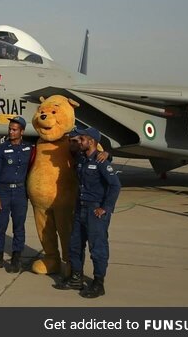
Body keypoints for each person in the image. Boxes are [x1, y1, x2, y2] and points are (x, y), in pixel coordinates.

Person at [59, 126, 121, 298]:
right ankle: (76, 278)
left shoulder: (101, 162)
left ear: (91, 141)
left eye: (82, 139)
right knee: (75, 245)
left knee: (97, 248)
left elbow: (115, 186)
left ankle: (98, 283)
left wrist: (105, 208)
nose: (79, 142)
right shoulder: (81, 159)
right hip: (80, 208)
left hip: (95, 211)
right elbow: (70, 145)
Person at [0, 116, 33, 273]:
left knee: (19, 227)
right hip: (3, 192)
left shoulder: (29, 149)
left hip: (20, 192)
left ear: (22, 131)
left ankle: (16, 259)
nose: (11, 131)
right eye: (10, 129)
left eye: (14, 129)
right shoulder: (1, 149)